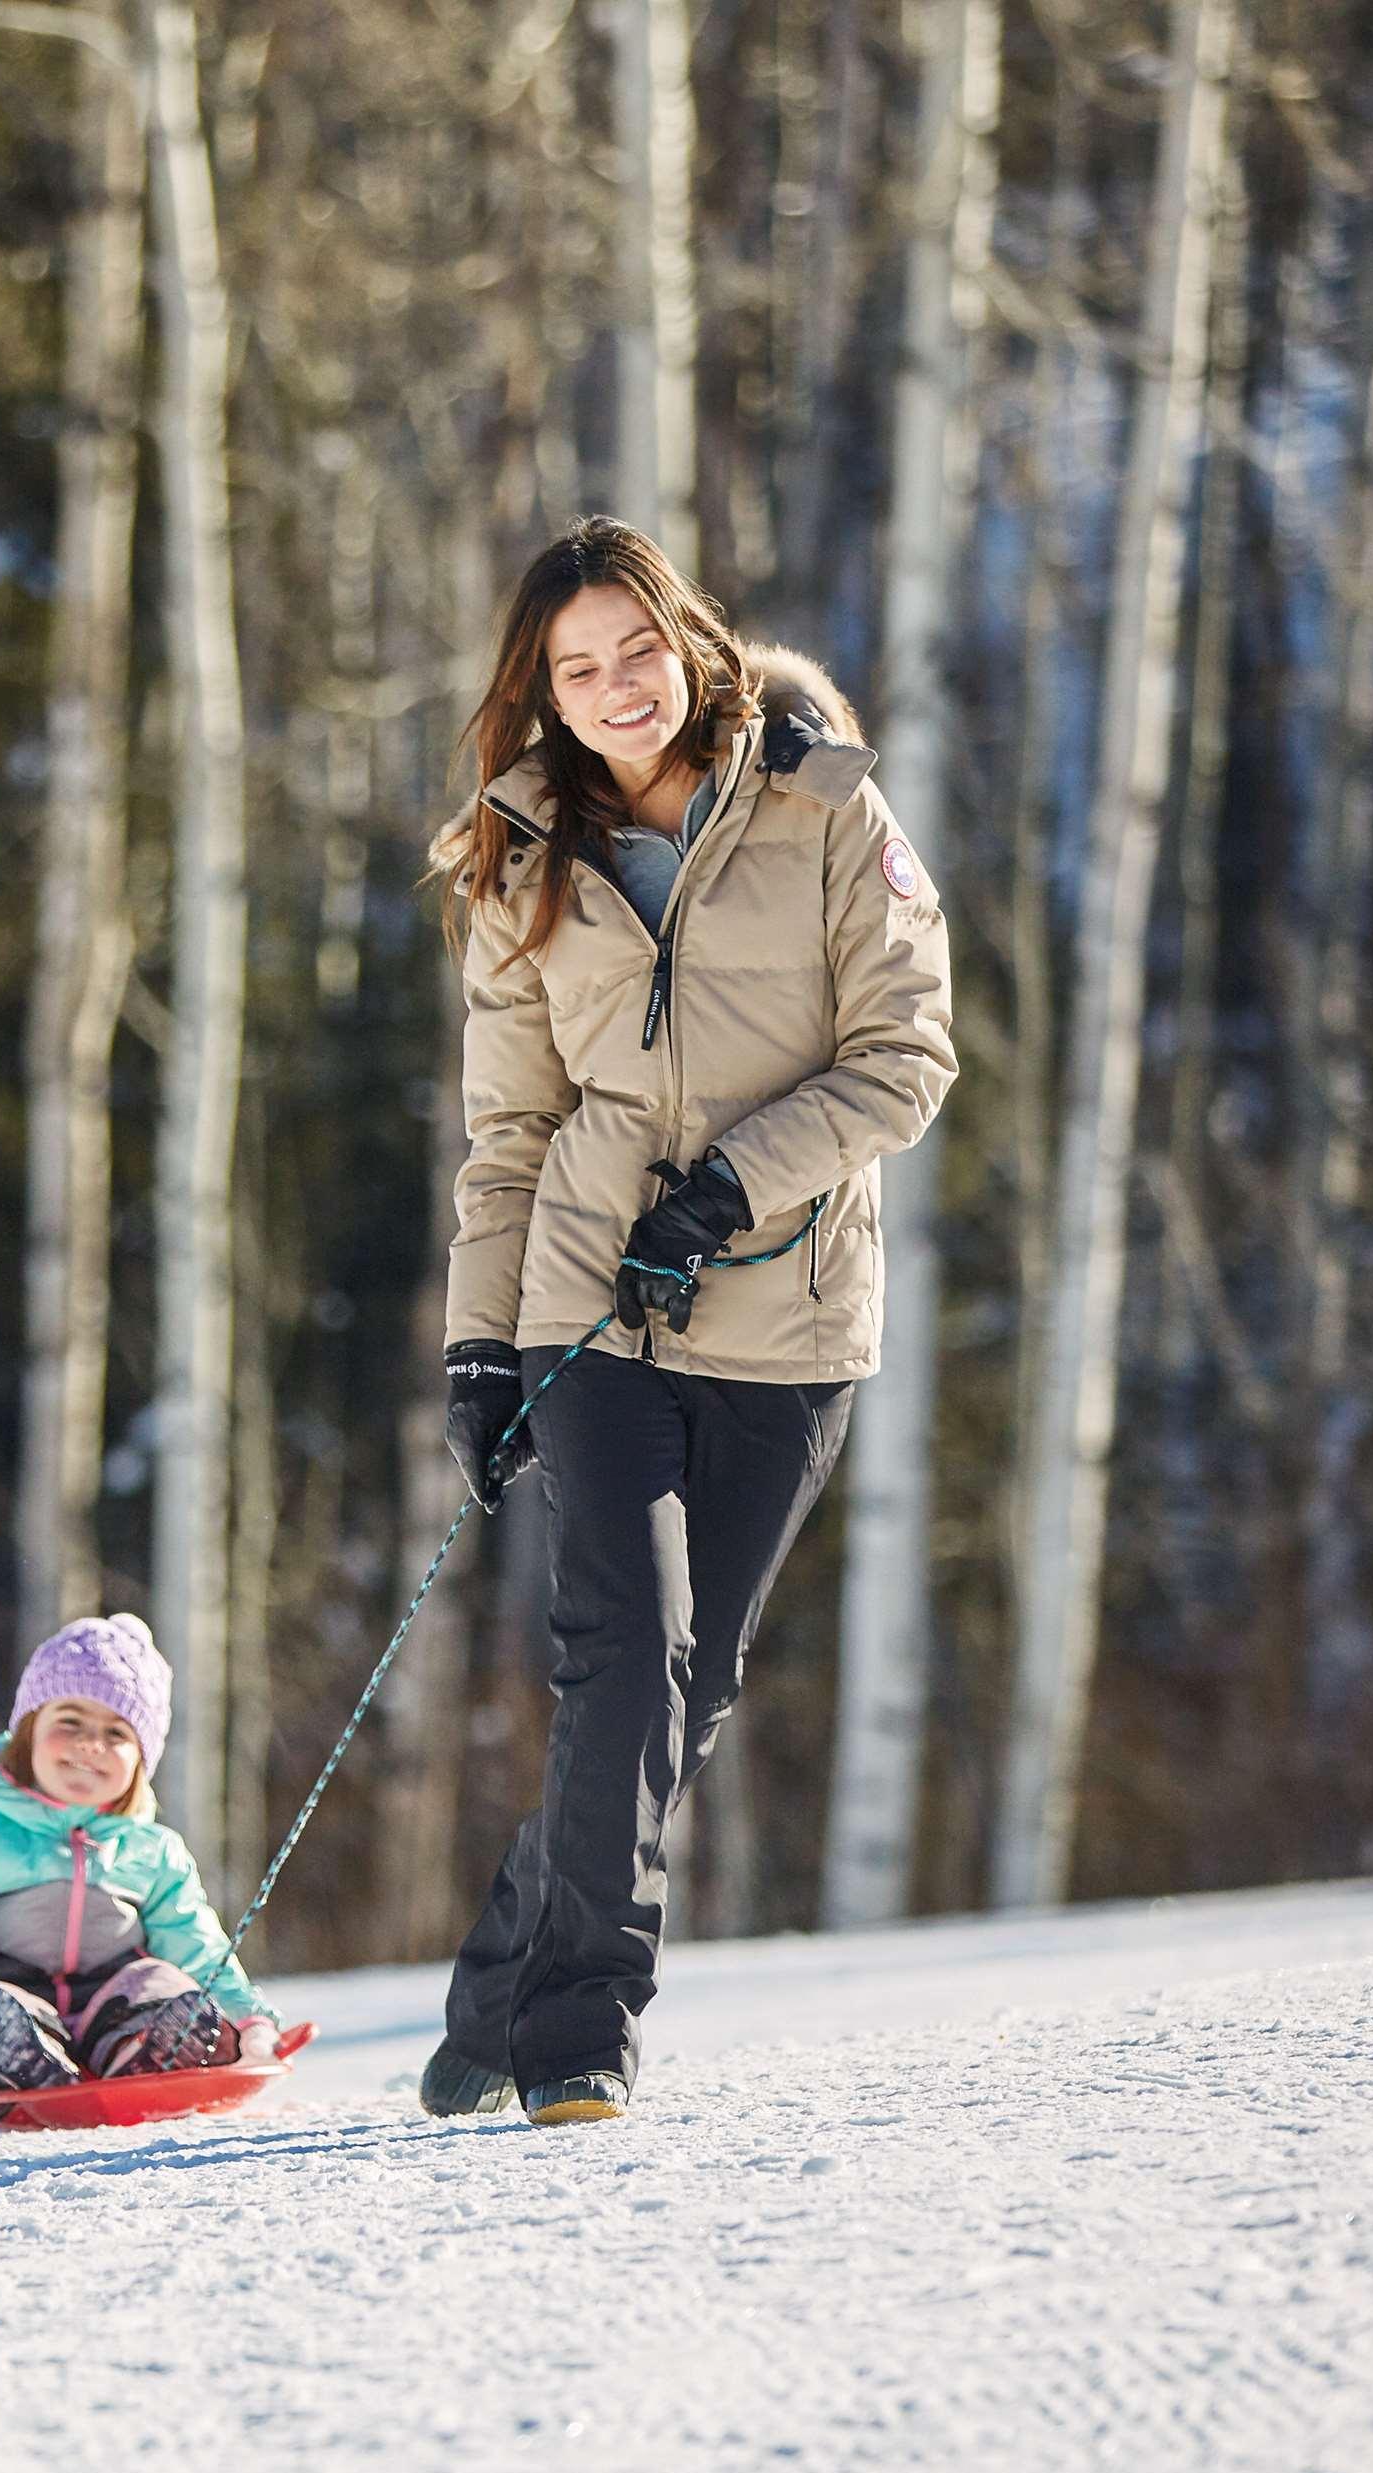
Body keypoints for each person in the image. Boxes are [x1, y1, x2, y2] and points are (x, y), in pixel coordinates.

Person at [422, 516, 957, 2127]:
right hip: (589, 1309)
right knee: (617, 1661)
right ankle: (579, 2031)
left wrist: (727, 1190)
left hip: (782, 1316)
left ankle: (497, 1988)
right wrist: (479, 1342)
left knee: (685, 1693)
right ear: (542, 688)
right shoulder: (516, 857)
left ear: (689, 638)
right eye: (574, 669)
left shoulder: (824, 804)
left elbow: (906, 1054)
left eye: (634, 651)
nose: (612, 689)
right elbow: (510, 1134)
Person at [0, 1615, 285, 2127]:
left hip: (113, 2009)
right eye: (70, 1721)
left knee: (162, 1983)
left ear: (141, 1760)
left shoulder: (152, 1851)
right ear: (27, 1733)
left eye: (116, 1732)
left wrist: (249, 2022)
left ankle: (150, 2051)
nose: (91, 1744)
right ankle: (9, 2064)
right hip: (13, 2002)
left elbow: (197, 1946)